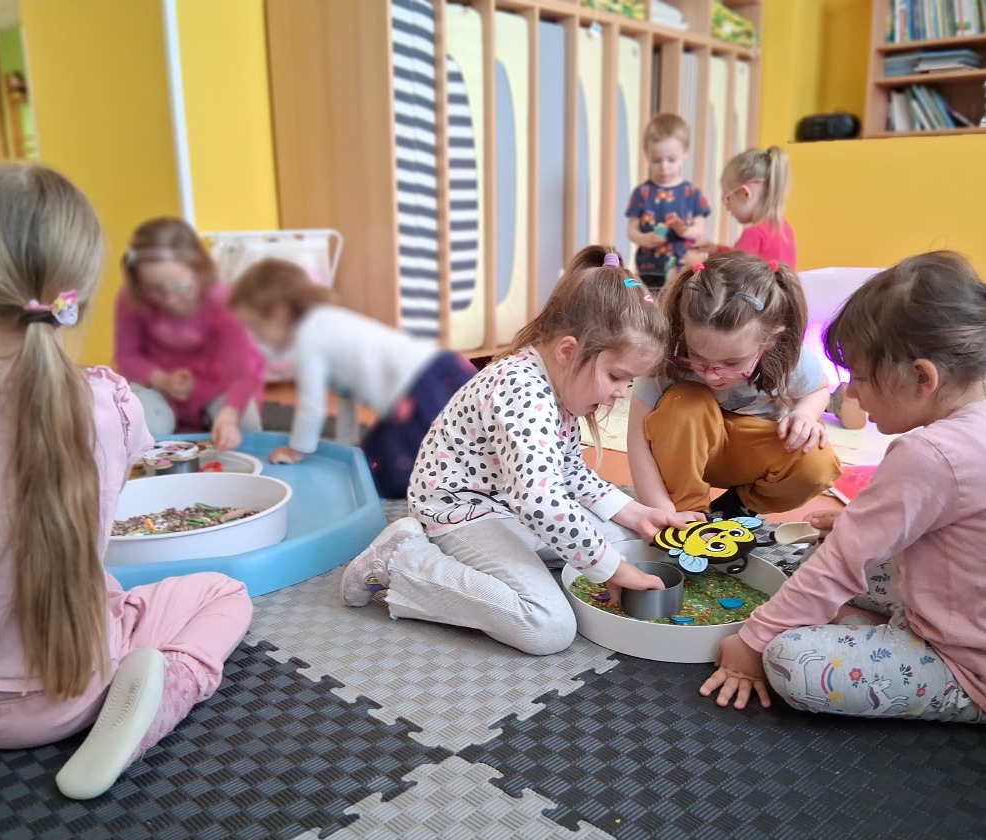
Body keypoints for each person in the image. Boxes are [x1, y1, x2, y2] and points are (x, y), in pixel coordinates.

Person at [0, 164, 253, 800]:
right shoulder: (111, 404)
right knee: (223, 592)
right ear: (75, 298)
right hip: (74, 693)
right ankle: (158, 694)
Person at [700, 251, 986, 722]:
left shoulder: (930, 454)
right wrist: (861, 528)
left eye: (861, 377)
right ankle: (869, 627)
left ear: (922, 377)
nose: (852, 392)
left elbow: (842, 563)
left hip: (984, 675)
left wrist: (752, 642)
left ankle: (874, 639)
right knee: (815, 559)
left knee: (788, 657)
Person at [339, 246, 698, 655]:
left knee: (628, 538)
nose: (620, 393)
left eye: (628, 382)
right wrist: (612, 570)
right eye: (616, 376)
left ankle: (525, 559)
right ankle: (401, 561)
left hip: (511, 506)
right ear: (568, 351)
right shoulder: (523, 391)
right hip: (461, 511)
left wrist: (636, 513)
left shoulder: (560, 382)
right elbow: (540, 500)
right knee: (548, 626)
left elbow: (568, 473)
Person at [227, 258, 477, 499]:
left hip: (419, 389)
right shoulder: (325, 319)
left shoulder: (306, 338)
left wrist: (296, 450)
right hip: (441, 368)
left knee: (386, 472)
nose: (257, 339)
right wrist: (347, 444)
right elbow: (347, 392)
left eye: (256, 327)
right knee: (459, 440)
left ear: (278, 313)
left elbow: (311, 408)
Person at [627, 251, 841, 522]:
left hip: (751, 456)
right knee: (686, 403)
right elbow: (637, 442)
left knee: (817, 461)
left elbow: (818, 389)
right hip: (685, 457)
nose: (712, 375)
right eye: (697, 356)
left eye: (731, 362)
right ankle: (689, 510)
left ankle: (736, 507)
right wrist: (665, 512)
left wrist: (806, 413)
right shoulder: (665, 354)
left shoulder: (790, 358)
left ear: (771, 340)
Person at [114, 217, 264, 450]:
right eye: (155, 289)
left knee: (246, 429)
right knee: (141, 429)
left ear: (199, 271)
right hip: (157, 385)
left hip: (216, 385)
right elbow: (126, 355)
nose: (168, 297)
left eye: (179, 286)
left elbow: (241, 372)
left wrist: (229, 416)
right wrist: (162, 379)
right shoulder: (132, 299)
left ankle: (211, 420)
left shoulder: (223, 300)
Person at [625, 113, 712, 290]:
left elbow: (700, 229)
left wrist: (684, 230)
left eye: (671, 159)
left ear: (685, 152)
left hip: (683, 269)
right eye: (656, 160)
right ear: (647, 154)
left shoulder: (692, 193)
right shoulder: (642, 193)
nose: (664, 166)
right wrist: (643, 238)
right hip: (649, 270)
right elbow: (631, 230)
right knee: (649, 303)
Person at [719, 146, 796, 269]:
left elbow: (729, 272)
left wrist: (698, 263)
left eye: (727, 198)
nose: (727, 208)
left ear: (745, 193)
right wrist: (717, 250)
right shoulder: (783, 228)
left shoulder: (754, 234)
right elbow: (744, 257)